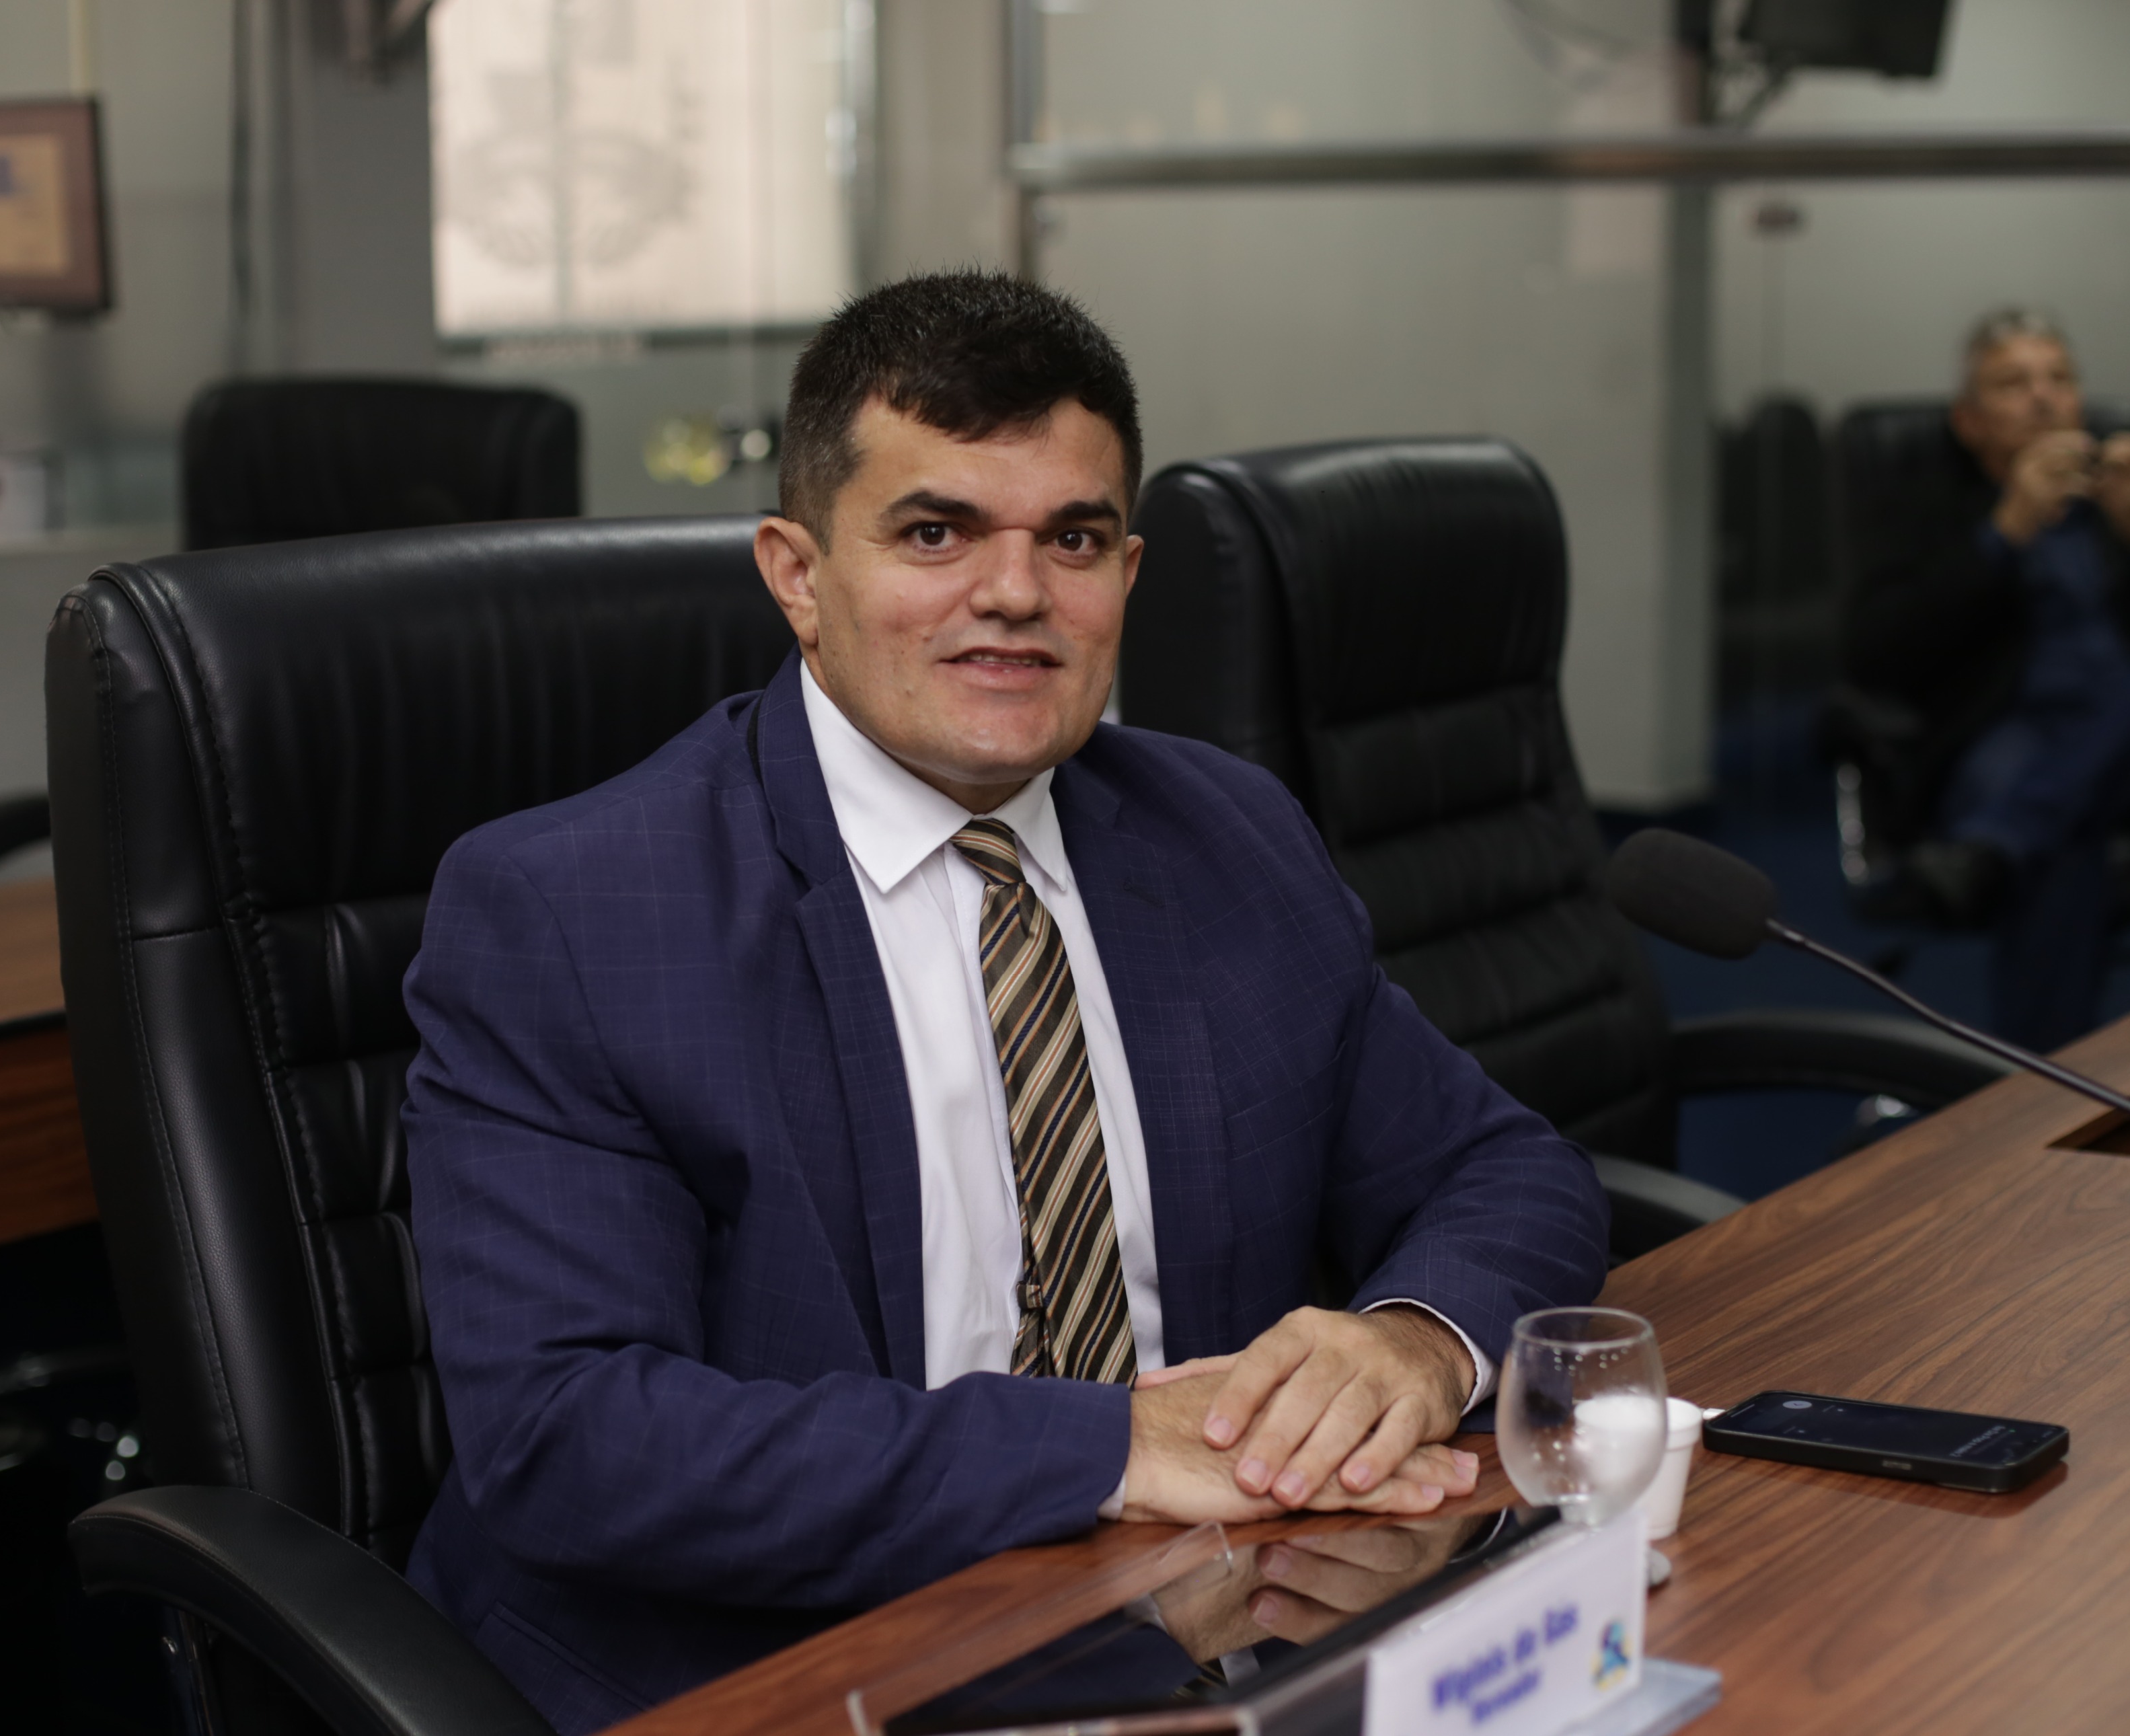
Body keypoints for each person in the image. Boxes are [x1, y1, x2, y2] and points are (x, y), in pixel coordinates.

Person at [398, 270, 1608, 1731]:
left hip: (1215, 1621)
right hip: (783, 1666)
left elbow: (1502, 1166)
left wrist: (1409, 1341)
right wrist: (1106, 1446)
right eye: (935, 532)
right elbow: (571, 1438)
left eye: (1073, 539)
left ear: (1128, 575)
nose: (1017, 595)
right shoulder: (571, 910)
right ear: (796, 573)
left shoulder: (1224, 834)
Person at [1843, 307, 2130, 1050]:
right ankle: (2047, 1074)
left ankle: (1999, 844)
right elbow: (1875, 652)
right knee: (2063, 827)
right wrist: (2003, 532)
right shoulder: (1926, 512)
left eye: (2058, 379)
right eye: (2012, 384)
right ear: (1968, 422)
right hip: (2012, 735)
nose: (2042, 397)